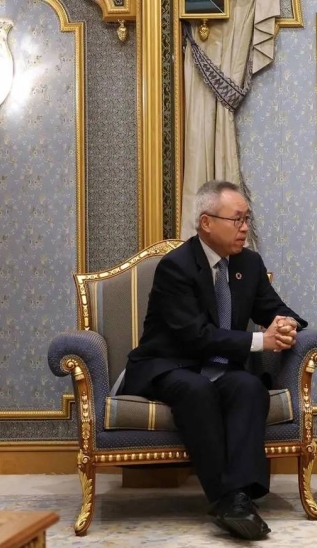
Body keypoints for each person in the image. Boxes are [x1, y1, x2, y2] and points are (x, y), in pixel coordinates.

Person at [121, 180, 306, 540]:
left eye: (247, 219)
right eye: (237, 219)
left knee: (249, 386)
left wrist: (286, 324)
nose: (244, 228)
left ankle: (239, 498)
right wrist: (261, 340)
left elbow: (273, 307)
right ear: (206, 222)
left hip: (221, 366)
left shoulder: (249, 264)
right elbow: (196, 335)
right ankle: (228, 499)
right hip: (170, 363)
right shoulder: (176, 267)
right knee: (196, 389)